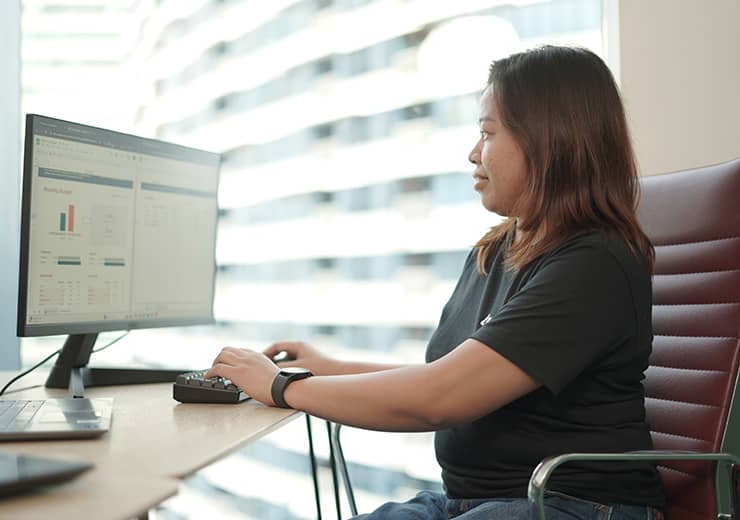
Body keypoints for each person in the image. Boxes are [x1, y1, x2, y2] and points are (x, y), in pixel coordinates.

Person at [206, 45, 666, 519]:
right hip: (476, 501)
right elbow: (445, 375)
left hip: (574, 506)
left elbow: (437, 398)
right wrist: (325, 368)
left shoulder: (595, 264)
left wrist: (281, 387)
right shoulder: (497, 250)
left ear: (550, 141)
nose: (473, 153)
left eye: (488, 133)